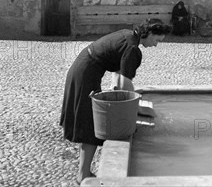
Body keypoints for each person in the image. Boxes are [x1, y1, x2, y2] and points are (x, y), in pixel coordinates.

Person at [60, 18, 170, 184]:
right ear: (149, 33)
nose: (155, 45)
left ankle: (84, 172)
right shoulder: (132, 49)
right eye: (156, 40)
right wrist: (137, 107)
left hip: (83, 69)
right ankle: (82, 176)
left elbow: (118, 80)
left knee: (90, 123)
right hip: (85, 75)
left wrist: (122, 100)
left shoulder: (128, 36)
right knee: (90, 125)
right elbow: (125, 85)